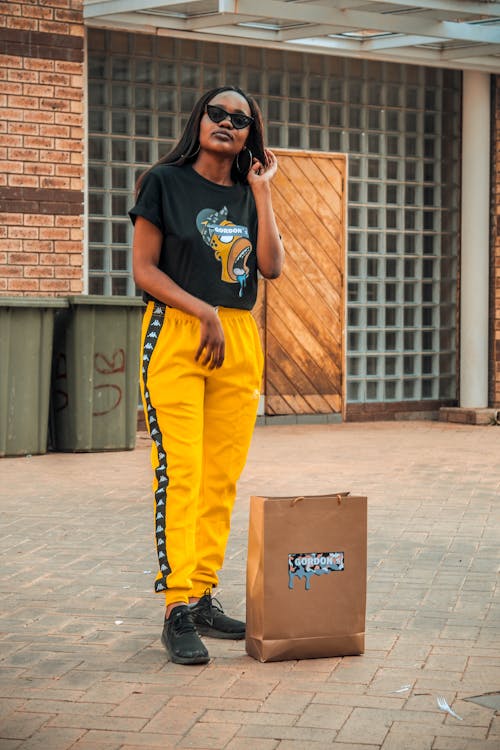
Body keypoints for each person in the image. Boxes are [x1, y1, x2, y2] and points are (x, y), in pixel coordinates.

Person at [129, 85, 284, 665]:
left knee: (220, 477)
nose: (226, 123)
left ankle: (201, 594)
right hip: (177, 330)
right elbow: (144, 269)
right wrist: (202, 310)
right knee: (182, 472)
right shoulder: (163, 184)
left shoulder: (250, 193)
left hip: (238, 338)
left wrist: (263, 194)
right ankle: (175, 607)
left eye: (239, 120)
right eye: (217, 114)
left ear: (251, 136)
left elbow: (270, 266)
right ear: (198, 121)